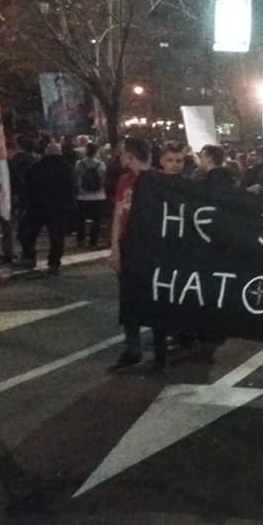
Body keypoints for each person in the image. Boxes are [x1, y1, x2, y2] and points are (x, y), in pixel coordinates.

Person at [108, 137, 167, 371]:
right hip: (128, 245)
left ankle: (160, 350)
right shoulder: (124, 181)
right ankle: (133, 349)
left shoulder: (159, 180)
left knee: (155, 298)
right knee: (128, 299)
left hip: (151, 248)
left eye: (123, 153)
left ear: (131, 155)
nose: (120, 157)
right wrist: (115, 247)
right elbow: (118, 214)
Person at [17, 136, 75, 274]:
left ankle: (29, 256)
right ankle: (54, 263)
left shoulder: (36, 167)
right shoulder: (66, 168)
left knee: (29, 233)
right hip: (58, 207)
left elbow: (28, 185)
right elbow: (71, 187)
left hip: (37, 206)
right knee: (57, 237)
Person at [74, 142, 107, 248]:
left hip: (82, 195)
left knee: (80, 219)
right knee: (96, 220)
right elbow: (103, 178)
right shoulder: (101, 164)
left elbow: (77, 178)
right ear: (96, 151)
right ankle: (93, 241)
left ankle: (81, 240)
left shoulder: (79, 163)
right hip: (98, 195)